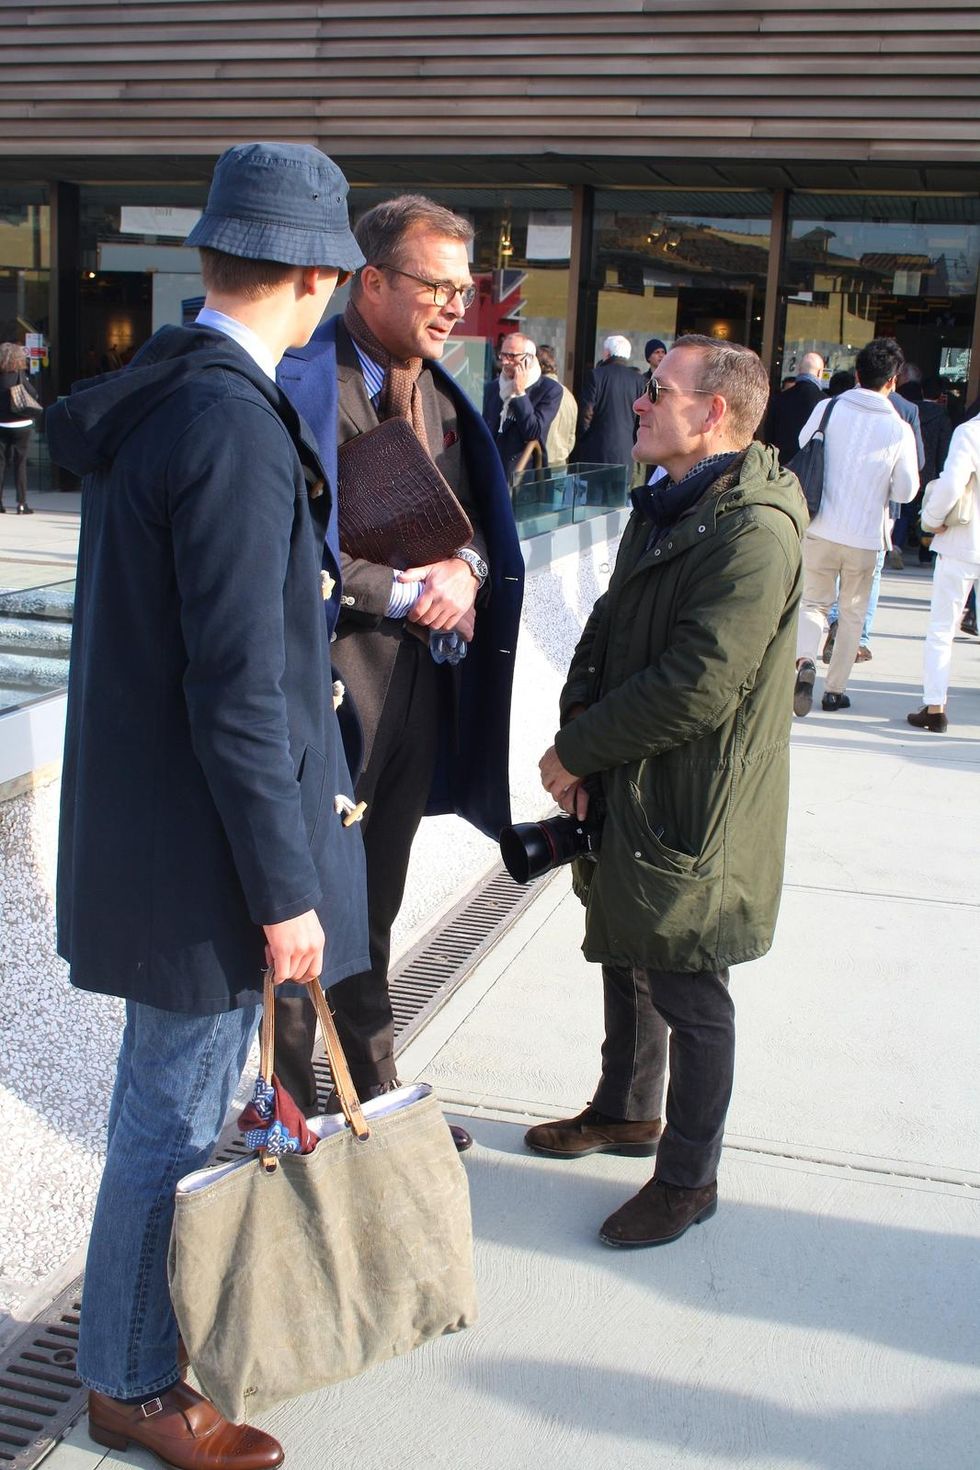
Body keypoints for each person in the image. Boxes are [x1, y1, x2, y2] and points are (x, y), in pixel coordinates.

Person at [45, 141, 370, 1470]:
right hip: (208, 859)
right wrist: (288, 896)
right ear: (318, 274)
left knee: (166, 1113)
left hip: (164, 836)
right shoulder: (230, 421)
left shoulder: (169, 391)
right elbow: (241, 693)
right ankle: (130, 1379)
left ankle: (138, 1352)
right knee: (167, 1126)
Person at [527, 335, 804, 1248]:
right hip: (636, 776)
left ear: (711, 414)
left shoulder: (753, 530)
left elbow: (699, 682)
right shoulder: (673, 504)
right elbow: (608, 627)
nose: (638, 404)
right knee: (626, 943)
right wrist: (581, 742)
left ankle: (688, 1178)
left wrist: (580, 750)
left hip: (696, 796)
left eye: (658, 392)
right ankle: (625, 1111)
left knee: (688, 980)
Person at [274, 194, 525, 1153]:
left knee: (375, 902)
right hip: (330, 693)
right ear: (370, 280)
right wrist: (399, 589)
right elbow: (290, 545)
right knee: (304, 912)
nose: (458, 305)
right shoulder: (301, 382)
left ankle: (372, 1089)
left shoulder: (443, 392)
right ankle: (293, 1118)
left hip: (419, 693)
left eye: (466, 288)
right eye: (438, 285)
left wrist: (463, 572)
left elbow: (469, 524)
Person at [793, 337, 919, 715]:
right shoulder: (898, 429)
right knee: (851, 612)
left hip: (821, 526)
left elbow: (804, 443)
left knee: (813, 602)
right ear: (893, 380)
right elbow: (907, 489)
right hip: (865, 536)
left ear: (858, 374)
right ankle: (835, 690)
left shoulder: (828, 409)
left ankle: (805, 662)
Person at [907, 412, 980, 733]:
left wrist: (931, 520)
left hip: (963, 541)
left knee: (942, 628)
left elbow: (952, 483)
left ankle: (935, 706)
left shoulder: (970, 432)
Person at [483, 331, 563, 483]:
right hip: (492, 473)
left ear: (529, 359)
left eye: (512, 356)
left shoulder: (550, 390)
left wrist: (519, 393)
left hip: (524, 479)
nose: (505, 362)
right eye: (503, 355)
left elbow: (533, 432)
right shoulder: (494, 388)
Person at [572, 334, 644, 474]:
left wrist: (583, 438)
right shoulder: (639, 381)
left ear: (607, 353)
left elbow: (586, 413)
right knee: (619, 494)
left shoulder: (596, 376)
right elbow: (641, 417)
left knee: (595, 494)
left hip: (596, 450)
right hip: (626, 451)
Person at [762, 350, 825, 464]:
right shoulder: (825, 402)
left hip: (780, 466)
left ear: (799, 370)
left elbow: (769, 434)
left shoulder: (780, 399)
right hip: (808, 468)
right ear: (820, 373)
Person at [0, 342, 39, 513]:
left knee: (0, 463)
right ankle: (22, 504)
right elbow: (33, 393)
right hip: (22, 423)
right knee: (20, 463)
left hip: (1, 423)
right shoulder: (19, 375)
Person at [537, 343, 578, 470]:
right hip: (560, 462)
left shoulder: (536, 393)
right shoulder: (569, 396)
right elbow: (571, 436)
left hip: (539, 463)